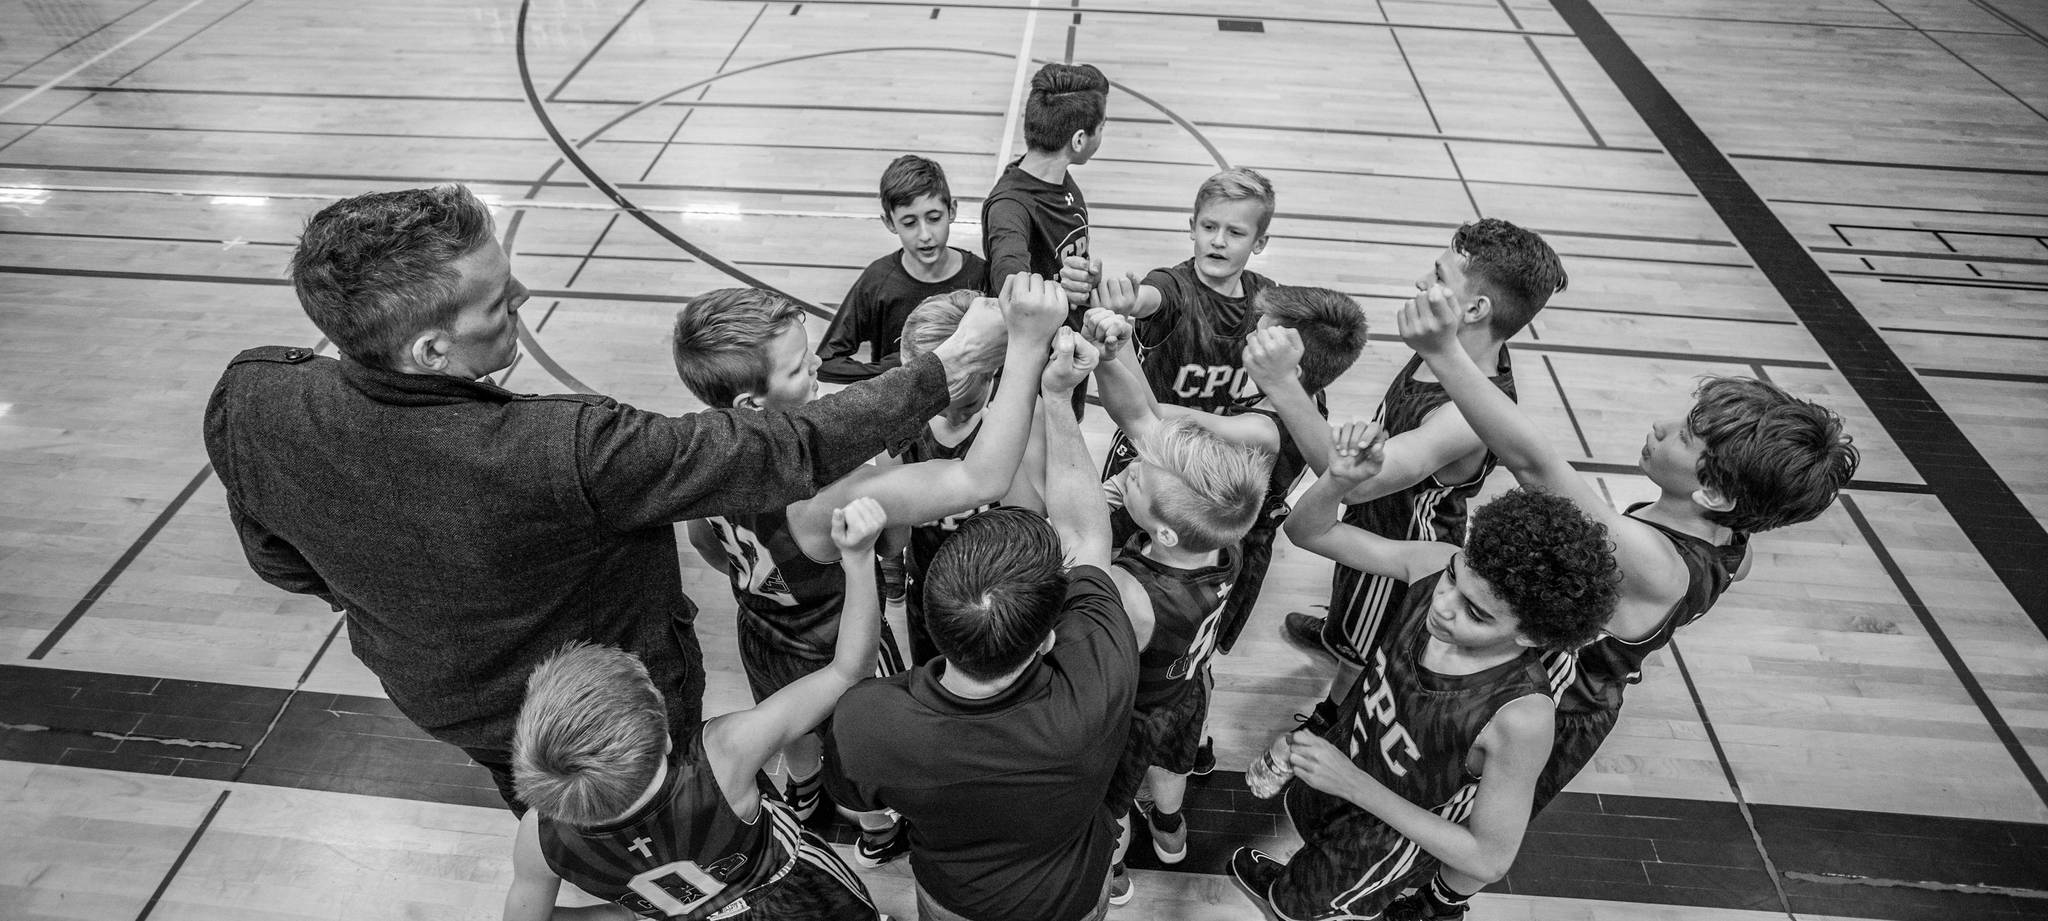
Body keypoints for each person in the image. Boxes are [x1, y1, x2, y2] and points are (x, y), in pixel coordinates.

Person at [203, 184, 1006, 812]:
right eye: (498, 298)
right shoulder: (561, 450)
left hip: (454, 705)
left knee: (561, 828)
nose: (523, 293)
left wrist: (406, 597)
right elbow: (782, 447)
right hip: (625, 712)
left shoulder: (253, 396)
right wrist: (948, 367)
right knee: (671, 830)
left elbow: (280, 562)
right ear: (432, 347)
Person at [1380, 289, 1859, 921]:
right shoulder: (1732, 545)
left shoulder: (1657, 565)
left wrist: (1445, 353)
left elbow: (1533, 464)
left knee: (1471, 820)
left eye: (1684, 436)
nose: (1661, 425)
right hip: (1556, 688)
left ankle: (1436, 907)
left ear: (1715, 494)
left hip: (1560, 708)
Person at [673, 276, 1064, 853]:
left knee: (790, 724)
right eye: (799, 368)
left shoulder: (695, 451)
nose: (817, 369)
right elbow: (978, 480)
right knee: (860, 749)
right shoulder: (822, 498)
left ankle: (803, 791)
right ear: (752, 403)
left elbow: (704, 542)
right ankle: (878, 828)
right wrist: (1027, 347)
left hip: (761, 628)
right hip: (837, 639)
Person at [1233, 426, 1620, 921]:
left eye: (1476, 614)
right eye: (1456, 578)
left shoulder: (1520, 717)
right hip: (1341, 767)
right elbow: (1309, 532)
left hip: (1382, 837)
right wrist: (1337, 481)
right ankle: (1292, 883)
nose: (1444, 604)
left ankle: (1293, 901)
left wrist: (1353, 784)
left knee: (1299, 910)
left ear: (1531, 635)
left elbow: (1488, 859)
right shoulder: (1433, 563)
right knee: (1306, 853)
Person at [825, 329, 1143, 921]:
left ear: (932, 621)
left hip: (952, 900)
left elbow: (854, 792)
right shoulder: (1099, 679)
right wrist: (1057, 398)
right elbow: (1084, 535)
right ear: (1047, 641)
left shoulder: (868, 721)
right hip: (1072, 897)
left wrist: (857, 562)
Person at [501, 496, 889, 921]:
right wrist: (858, 559)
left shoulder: (539, 836)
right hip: (801, 898)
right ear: (665, 739)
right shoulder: (723, 754)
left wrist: (631, 914)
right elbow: (848, 671)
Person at [1279, 218, 1567, 724]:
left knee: (1365, 650)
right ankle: (1338, 634)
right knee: (1352, 620)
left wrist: (1284, 385)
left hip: (1403, 548)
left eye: (1437, 276)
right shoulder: (1450, 351)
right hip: (1377, 527)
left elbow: (1354, 484)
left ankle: (1331, 718)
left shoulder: (1465, 415)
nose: (1420, 282)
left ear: (1475, 309)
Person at [1086, 284, 1367, 653]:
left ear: (1291, 368)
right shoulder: (1307, 400)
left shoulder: (1260, 431)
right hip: (1236, 528)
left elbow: (1148, 417)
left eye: (1260, 336)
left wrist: (1117, 347)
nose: (1248, 337)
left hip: (1212, 535)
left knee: (1156, 627)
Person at [1099, 416, 1272, 902]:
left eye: (1137, 478)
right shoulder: (1226, 544)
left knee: (1109, 807)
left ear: (1166, 534)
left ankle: (1113, 872)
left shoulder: (1129, 589)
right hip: (1186, 692)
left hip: (1134, 714)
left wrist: (1103, 497)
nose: (1129, 470)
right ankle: (1169, 827)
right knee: (1173, 769)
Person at [877, 291, 1048, 667]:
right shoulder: (900, 422)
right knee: (932, 676)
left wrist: (1002, 433)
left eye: (968, 405)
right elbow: (892, 544)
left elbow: (1031, 518)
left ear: (993, 373)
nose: (954, 418)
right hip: (929, 587)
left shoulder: (1025, 412)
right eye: (939, 407)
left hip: (1000, 591)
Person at [983, 61, 1109, 415]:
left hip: (1067, 352)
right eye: (1102, 127)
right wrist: (1059, 290)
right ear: (1079, 140)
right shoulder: (1010, 207)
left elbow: (1061, 260)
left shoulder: (1057, 177)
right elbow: (1012, 286)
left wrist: (1085, 280)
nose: (1103, 133)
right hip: (1032, 379)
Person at [815, 155, 988, 384]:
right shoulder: (878, 280)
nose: (925, 235)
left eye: (934, 218)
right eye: (909, 223)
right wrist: (897, 370)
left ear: (952, 210)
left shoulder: (981, 275)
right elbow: (827, 363)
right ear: (889, 223)